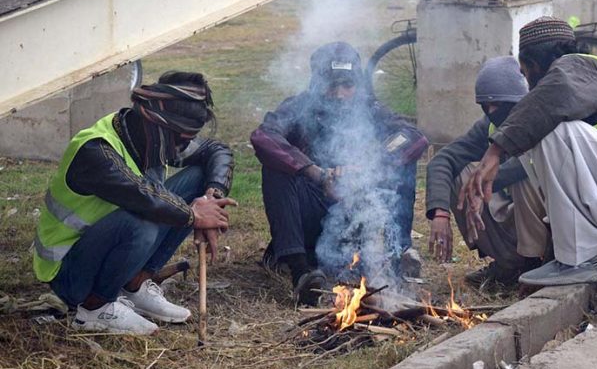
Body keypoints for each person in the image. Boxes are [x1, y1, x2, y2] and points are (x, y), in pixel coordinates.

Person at [463, 16, 597, 297]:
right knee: (542, 134)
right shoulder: (580, 79)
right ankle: (579, 257)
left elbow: (551, 99)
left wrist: (494, 152)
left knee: (556, 130)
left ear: (534, 65)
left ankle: (582, 258)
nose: (527, 82)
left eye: (525, 71)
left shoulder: (583, 69)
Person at [33, 71, 236, 335]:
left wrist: (212, 198)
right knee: (142, 222)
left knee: (198, 177)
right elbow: (144, 197)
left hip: (107, 243)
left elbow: (217, 151)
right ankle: (95, 309)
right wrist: (195, 216)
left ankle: (134, 284)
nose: (180, 149)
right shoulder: (95, 150)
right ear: (158, 125)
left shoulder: (147, 135)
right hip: (69, 272)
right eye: (180, 140)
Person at [250, 41, 428, 305]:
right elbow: (264, 137)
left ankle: (397, 254)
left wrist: (367, 167)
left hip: (354, 216)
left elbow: (411, 137)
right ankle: (301, 272)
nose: (340, 93)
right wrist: (317, 174)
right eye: (331, 85)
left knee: (403, 163)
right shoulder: (299, 106)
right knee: (276, 170)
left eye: (347, 84)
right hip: (312, 212)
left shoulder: (369, 108)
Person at [426, 56, 549, 288]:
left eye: (498, 104)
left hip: (555, 218)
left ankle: (542, 263)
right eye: (485, 105)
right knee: (460, 173)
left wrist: (481, 183)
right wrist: (440, 213)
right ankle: (511, 264)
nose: (491, 111)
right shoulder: (489, 125)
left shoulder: (542, 116)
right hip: (517, 214)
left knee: (523, 174)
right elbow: (443, 160)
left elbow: (528, 163)